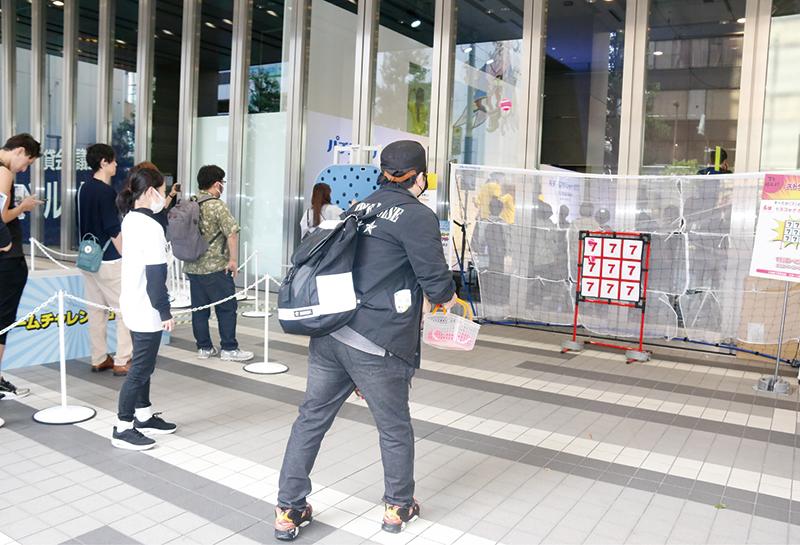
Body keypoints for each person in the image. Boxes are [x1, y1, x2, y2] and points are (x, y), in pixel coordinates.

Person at [274, 140, 457, 541]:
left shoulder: (358, 207)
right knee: (394, 428)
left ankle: (289, 508)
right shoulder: (417, 215)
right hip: (377, 341)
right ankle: (398, 506)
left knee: (311, 419)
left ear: (384, 173)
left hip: (330, 333)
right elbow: (438, 285)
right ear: (420, 177)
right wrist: (448, 299)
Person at [112, 167, 177, 450]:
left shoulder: (130, 218)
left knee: (143, 364)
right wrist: (165, 312)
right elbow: (155, 277)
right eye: (162, 191)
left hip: (133, 301)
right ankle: (123, 426)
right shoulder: (151, 227)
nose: (163, 196)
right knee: (141, 368)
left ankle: (144, 415)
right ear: (151, 191)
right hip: (146, 306)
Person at [184, 165, 253, 362]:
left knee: (199, 310)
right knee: (226, 308)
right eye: (222, 182)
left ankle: (204, 348)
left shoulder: (190, 203)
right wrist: (233, 260)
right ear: (216, 184)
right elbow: (231, 233)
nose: (222, 186)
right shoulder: (217, 205)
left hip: (193, 267)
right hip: (215, 268)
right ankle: (229, 349)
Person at [77, 143, 133, 376]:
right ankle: (122, 360)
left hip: (88, 258)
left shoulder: (83, 188)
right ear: (103, 162)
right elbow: (112, 228)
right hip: (109, 259)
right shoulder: (106, 192)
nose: (116, 164)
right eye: (113, 160)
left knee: (96, 311)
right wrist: (126, 254)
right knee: (124, 310)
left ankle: (99, 358)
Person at [0, 134, 42, 400]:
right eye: (27, 162)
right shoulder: (4, 172)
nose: (24, 169)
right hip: (8, 259)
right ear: (19, 151)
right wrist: (22, 207)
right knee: (2, 323)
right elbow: (1, 216)